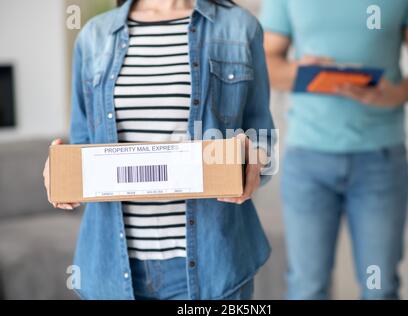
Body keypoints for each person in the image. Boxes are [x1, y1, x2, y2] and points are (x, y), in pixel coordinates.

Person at [42, 0, 275, 300]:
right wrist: (64, 175)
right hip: (113, 272)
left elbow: (263, 139)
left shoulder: (239, 27)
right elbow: (82, 143)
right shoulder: (94, 36)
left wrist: (253, 161)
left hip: (215, 268)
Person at [260, 0, 408, 299]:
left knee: (380, 288)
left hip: (380, 161)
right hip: (308, 160)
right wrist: (301, 73)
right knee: (306, 287)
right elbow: (264, 61)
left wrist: (398, 93)